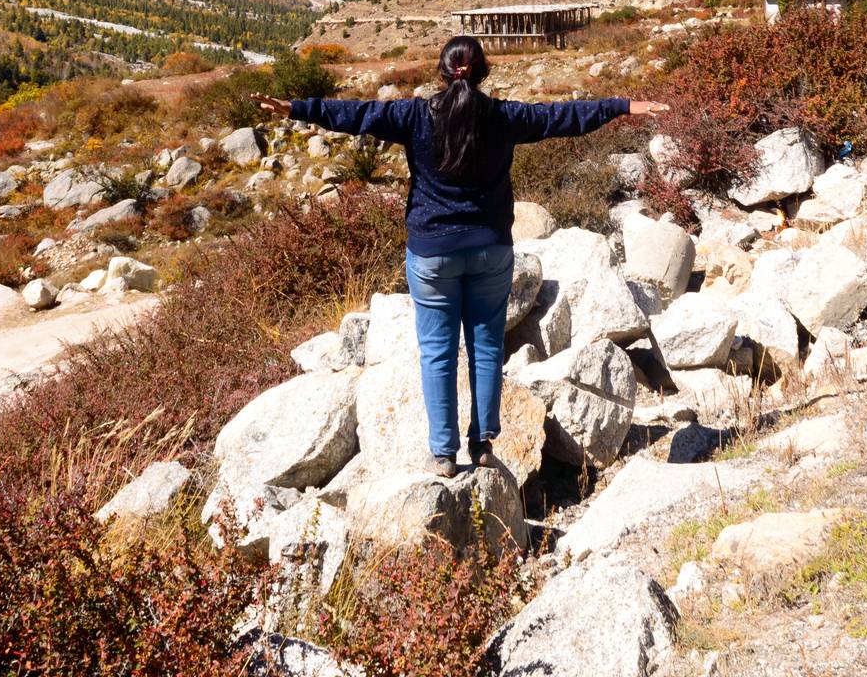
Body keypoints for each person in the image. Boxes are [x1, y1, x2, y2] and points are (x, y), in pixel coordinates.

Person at [254, 34, 669, 477]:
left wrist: (296, 108)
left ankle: (444, 455)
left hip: (432, 253)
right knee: (486, 347)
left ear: (441, 72)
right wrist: (622, 105)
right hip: (491, 248)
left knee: (437, 352)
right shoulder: (504, 116)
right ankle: (484, 444)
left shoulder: (412, 115)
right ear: (484, 72)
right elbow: (562, 116)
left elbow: (355, 114)